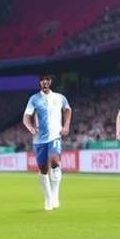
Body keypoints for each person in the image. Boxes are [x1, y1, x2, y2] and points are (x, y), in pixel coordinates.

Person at [22, 75, 71, 211]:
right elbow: (26, 117)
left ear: (50, 82)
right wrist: (30, 127)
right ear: (40, 82)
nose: (45, 82)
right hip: (39, 139)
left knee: (55, 161)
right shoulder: (34, 99)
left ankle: (55, 196)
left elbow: (67, 109)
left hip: (55, 135)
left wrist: (66, 126)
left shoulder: (59, 97)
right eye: (43, 80)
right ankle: (48, 198)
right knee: (43, 169)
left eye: (47, 80)